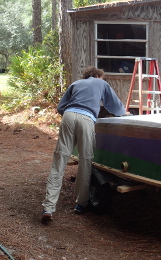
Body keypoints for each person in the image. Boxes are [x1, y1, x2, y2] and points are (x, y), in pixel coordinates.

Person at [42, 66, 126, 222]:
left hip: (68, 116)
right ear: (98, 76)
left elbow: (60, 107)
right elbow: (115, 106)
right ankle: (80, 203)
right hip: (86, 119)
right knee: (85, 161)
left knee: (59, 160)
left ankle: (48, 207)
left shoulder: (76, 83)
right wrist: (125, 113)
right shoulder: (101, 83)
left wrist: (71, 116)